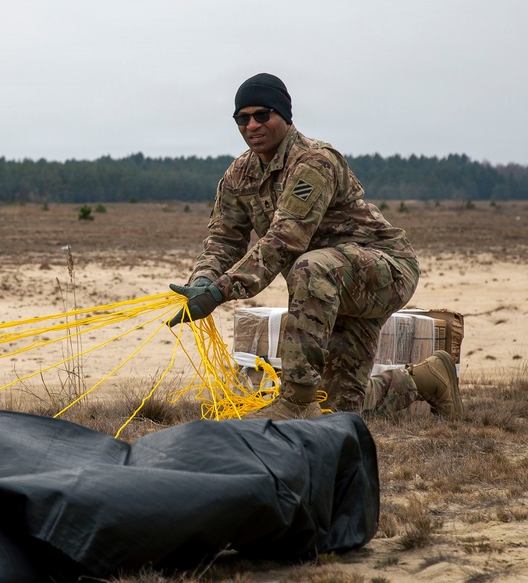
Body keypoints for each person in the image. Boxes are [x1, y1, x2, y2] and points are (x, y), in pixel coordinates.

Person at [168, 73, 462, 420]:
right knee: (336, 407)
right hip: (327, 289)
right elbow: (223, 239)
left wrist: (220, 292)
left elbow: (284, 240)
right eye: (242, 118)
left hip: (383, 272)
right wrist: (203, 280)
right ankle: (427, 379)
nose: (252, 125)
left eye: (262, 115)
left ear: (284, 116)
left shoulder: (314, 161)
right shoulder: (238, 176)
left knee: (310, 266)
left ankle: (295, 399)